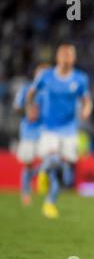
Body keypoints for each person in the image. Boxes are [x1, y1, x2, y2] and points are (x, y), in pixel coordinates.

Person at [26, 44, 92, 219]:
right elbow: (31, 93)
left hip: (69, 129)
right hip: (49, 129)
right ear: (57, 57)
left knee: (64, 172)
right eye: (64, 54)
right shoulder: (46, 76)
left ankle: (50, 202)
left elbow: (87, 100)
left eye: (70, 54)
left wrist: (86, 109)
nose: (67, 57)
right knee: (53, 159)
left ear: (74, 58)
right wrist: (30, 108)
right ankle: (41, 174)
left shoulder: (80, 79)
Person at [13, 63, 50, 206]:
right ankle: (26, 192)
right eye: (41, 74)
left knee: (49, 160)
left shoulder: (51, 93)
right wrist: (27, 111)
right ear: (35, 74)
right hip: (28, 132)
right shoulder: (26, 89)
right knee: (28, 165)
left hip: (46, 131)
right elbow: (16, 108)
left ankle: (42, 180)